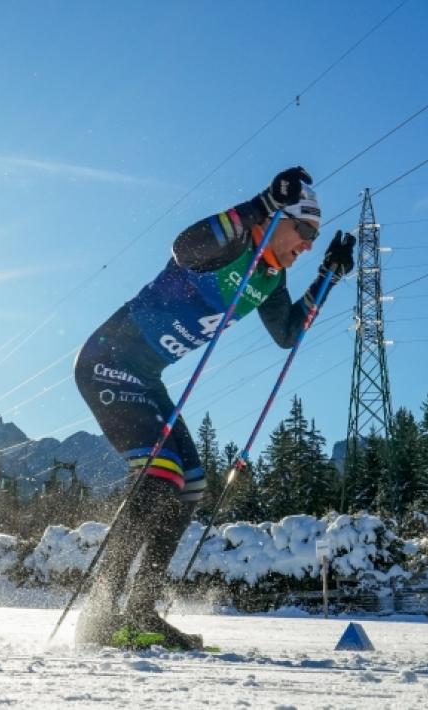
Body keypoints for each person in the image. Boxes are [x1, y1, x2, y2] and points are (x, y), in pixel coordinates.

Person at [72, 166, 354, 648]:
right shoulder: (235, 243)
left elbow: (287, 333)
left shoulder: (268, 278)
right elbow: (184, 248)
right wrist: (262, 202)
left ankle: (140, 610)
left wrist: (327, 275)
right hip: (107, 360)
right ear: (278, 219)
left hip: (145, 377)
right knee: (161, 475)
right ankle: (99, 612)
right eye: (304, 231)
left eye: (314, 238)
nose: (307, 244)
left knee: (190, 484)